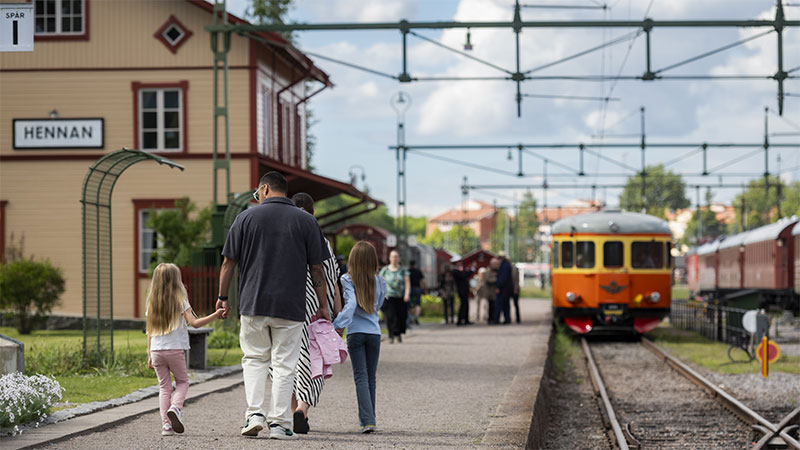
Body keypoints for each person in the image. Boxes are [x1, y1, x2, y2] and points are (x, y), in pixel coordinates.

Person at [217, 171, 330, 440]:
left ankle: (254, 414)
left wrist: (223, 297)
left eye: (257, 191)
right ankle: (279, 424)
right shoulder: (306, 220)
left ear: (265, 189)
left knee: (254, 359)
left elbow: (228, 262)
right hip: (290, 306)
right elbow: (317, 268)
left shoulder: (245, 218)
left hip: (253, 302)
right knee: (284, 364)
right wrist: (323, 305)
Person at [145, 263, 224, 436]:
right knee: (182, 382)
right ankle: (175, 407)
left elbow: (149, 331)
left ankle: (166, 426)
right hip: (174, 350)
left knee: (164, 388)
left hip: (156, 351)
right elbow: (194, 323)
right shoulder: (180, 300)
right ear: (176, 280)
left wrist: (149, 353)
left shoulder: (151, 302)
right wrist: (215, 315)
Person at [289, 193, 343, 435]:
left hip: (286, 308)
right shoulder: (322, 242)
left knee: (286, 361)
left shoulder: (285, 239)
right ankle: (302, 410)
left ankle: (293, 413)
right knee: (314, 360)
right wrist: (337, 312)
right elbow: (332, 279)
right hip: (317, 312)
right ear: (313, 213)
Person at [333, 241, 386, 434]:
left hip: (356, 332)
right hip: (374, 333)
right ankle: (370, 419)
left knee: (361, 376)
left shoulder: (347, 278)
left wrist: (337, 325)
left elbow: (351, 304)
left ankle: (367, 420)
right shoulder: (380, 281)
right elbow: (379, 305)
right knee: (371, 377)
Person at [379, 250, 410, 343]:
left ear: (399, 258)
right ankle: (391, 335)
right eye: (393, 256)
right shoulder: (385, 270)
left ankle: (398, 333)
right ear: (389, 258)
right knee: (390, 316)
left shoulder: (403, 270)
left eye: (396, 256)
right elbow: (380, 282)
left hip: (400, 296)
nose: (394, 258)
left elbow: (407, 283)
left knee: (400, 316)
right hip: (388, 296)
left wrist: (407, 294)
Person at [493, 252, 513, 325]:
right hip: (506, 288)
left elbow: (502, 278)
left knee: (499, 304)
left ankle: (497, 319)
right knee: (506, 304)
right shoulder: (507, 265)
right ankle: (507, 319)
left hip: (503, 289)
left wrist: (498, 286)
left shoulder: (504, 266)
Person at [407, 260, 424, 326]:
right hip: (417, 288)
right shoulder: (418, 271)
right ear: (415, 264)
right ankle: (416, 317)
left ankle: (410, 318)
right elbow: (423, 281)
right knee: (418, 304)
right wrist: (424, 289)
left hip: (409, 289)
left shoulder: (408, 271)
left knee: (410, 304)